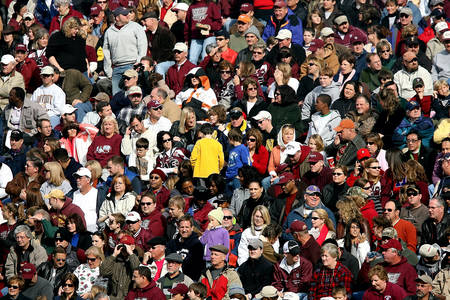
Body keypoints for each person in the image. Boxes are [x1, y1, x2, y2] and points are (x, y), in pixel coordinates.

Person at [103, 7, 147, 96]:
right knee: (117, 96)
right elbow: (106, 52)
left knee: (132, 95)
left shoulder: (136, 27)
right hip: (116, 68)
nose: (128, 15)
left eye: (128, 13)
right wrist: (108, 71)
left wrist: (139, 62)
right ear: (117, 18)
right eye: (124, 14)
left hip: (132, 65)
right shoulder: (109, 31)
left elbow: (143, 45)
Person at [100, 235, 140, 300]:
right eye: (122, 246)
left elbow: (137, 270)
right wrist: (114, 255)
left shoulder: (137, 259)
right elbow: (104, 272)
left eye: (127, 246)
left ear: (133, 247)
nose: (124, 249)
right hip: (114, 297)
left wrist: (130, 253)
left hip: (129, 298)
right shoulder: (115, 261)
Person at [166, 215, 205, 281]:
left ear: (192, 228)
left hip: (190, 279)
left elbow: (194, 266)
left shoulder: (197, 244)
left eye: (187, 227)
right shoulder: (172, 243)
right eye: (182, 227)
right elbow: (168, 258)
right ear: (178, 228)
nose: (184, 230)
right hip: (172, 276)